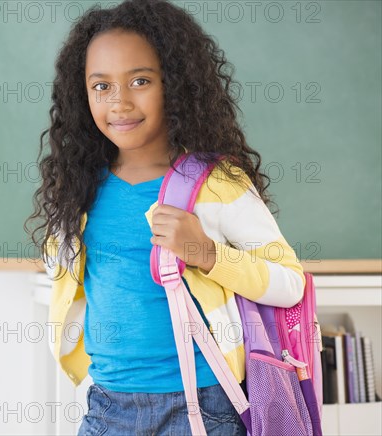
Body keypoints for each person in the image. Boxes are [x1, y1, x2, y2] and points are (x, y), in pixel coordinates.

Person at [24, 0, 306, 434]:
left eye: (140, 80)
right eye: (101, 86)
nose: (119, 102)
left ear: (175, 85)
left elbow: (289, 284)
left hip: (202, 406)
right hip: (106, 405)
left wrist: (207, 253)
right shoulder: (80, 186)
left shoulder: (215, 183)